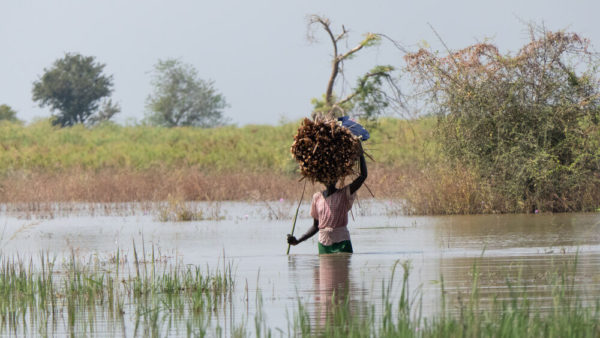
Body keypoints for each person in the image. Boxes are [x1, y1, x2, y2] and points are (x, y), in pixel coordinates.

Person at [287, 150, 367, 254]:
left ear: (337, 178)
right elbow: (316, 226)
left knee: (343, 268)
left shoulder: (344, 194)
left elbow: (363, 176)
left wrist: (360, 154)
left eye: (332, 177)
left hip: (342, 242)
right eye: (326, 177)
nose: (329, 180)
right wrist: (298, 241)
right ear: (321, 179)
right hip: (324, 244)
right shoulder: (317, 197)